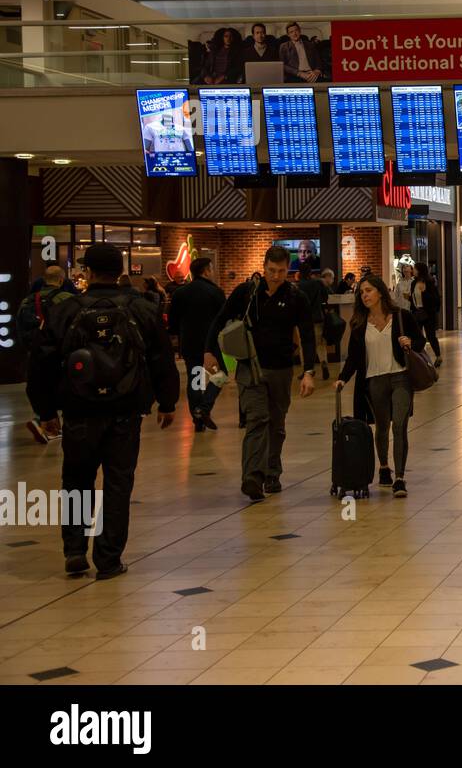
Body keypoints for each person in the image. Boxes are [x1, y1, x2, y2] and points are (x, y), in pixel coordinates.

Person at [27, 242, 178, 580]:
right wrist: (168, 402)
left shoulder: (65, 310)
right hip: (125, 411)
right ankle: (109, 558)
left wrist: (45, 410)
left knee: (77, 480)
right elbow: (161, 358)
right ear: (120, 271)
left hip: (79, 411)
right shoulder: (140, 309)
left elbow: (41, 363)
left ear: (88, 273)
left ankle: (75, 549)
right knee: (118, 483)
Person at [204, 245, 317, 502]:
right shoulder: (247, 292)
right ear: (264, 266)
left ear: (288, 270)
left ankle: (271, 473)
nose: (276, 276)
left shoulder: (295, 297)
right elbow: (220, 319)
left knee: (276, 425)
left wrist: (308, 371)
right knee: (257, 419)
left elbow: (308, 336)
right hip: (249, 368)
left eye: (281, 271)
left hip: (281, 370)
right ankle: (252, 477)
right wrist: (209, 351)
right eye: (271, 270)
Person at [335, 276, 424, 498]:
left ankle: (400, 478)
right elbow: (354, 358)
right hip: (374, 380)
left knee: (400, 425)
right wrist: (342, 378)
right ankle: (384, 467)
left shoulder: (401, 317)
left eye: (369, 290)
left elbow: (421, 342)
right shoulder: (359, 324)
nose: (365, 295)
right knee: (382, 426)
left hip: (401, 377)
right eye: (362, 292)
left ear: (381, 292)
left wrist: (410, 343)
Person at [17, 264, 76, 444]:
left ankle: (46, 422)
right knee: (66, 389)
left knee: (39, 388)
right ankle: (63, 426)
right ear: (61, 280)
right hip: (62, 356)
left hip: (36, 355)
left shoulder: (27, 301)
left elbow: (20, 329)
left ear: (44, 280)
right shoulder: (69, 300)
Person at [167, 257, 227, 432]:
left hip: (189, 343)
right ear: (206, 271)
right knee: (220, 374)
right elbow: (223, 319)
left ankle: (197, 419)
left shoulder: (180, 293)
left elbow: (173, 321)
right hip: (210, 345)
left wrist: (178, 335)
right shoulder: (215, 292)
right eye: (212, 269)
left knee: (195, 380)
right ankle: (205, 407)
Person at [297, 267, 333, 379]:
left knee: (305, 345)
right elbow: (325, 297)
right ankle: (324, 363)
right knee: (320, 344)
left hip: (304, 319)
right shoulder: (317, 283)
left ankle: (306, 370)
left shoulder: (299, 286)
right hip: (318, 317)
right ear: (310, 273)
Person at [412, 261, 443, 366]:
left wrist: (424, 292)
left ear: (419, 270)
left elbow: (435, 299)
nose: (413, 270)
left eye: (414, 269)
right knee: (417, 335)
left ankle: (438, 356)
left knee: (430, 335)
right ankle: (419, 357)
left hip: (428, 313)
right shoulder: (414, 283)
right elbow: (414, 298)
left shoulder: (429, 282)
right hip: (417, 312)